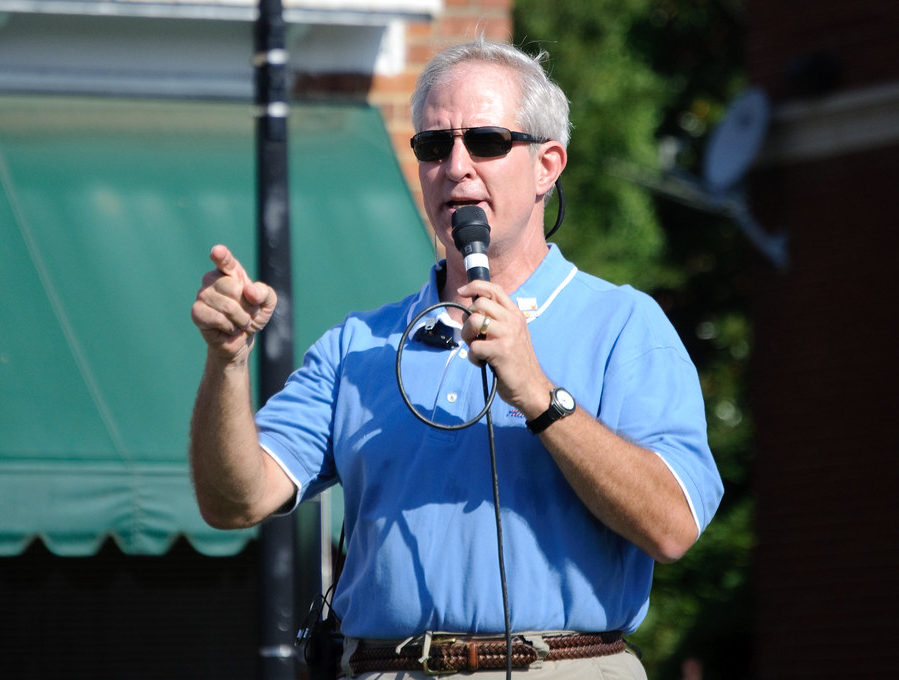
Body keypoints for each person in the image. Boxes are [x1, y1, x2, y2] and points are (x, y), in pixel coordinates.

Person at [189, 39, 723, 679]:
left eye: (488, 141)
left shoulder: (623, 324)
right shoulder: (358, 345)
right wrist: (227, 362)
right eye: (434, 146)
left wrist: (541, 398)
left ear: (548, 165)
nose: (457, 166)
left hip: (562, 666)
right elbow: (232, 501)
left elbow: (672, 527)